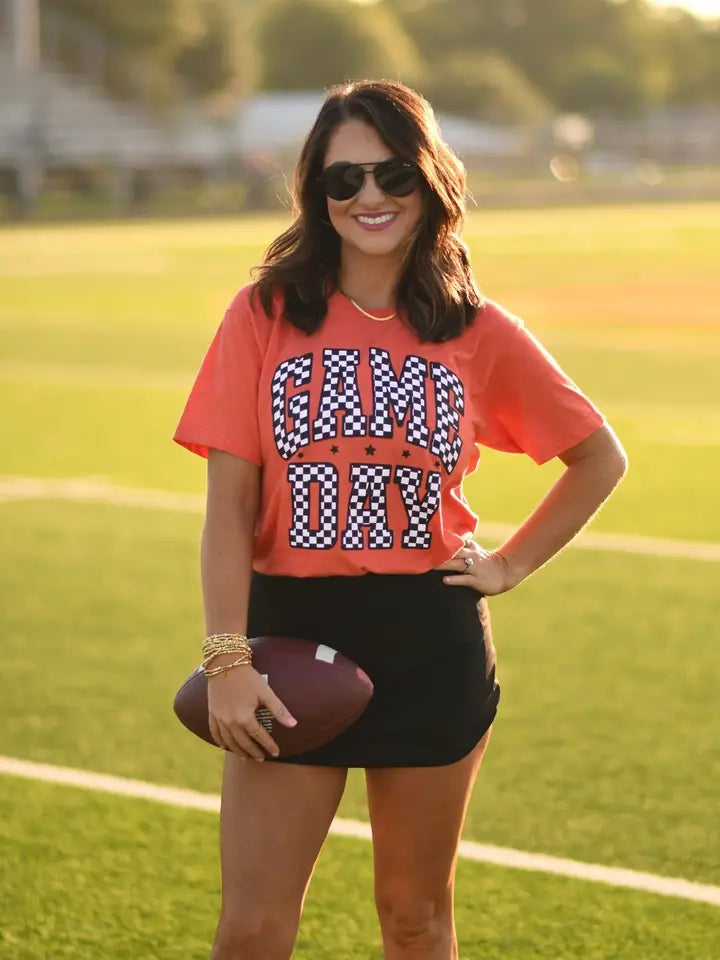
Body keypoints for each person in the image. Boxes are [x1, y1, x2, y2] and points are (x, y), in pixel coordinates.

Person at [174, 79, 627, 960]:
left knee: (415, 919)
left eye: (392, 175)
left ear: (428, 182)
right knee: (253, 926)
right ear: (316, 193)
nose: (369, 198)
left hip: (430, 639)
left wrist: (508, 565)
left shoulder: (477, 329)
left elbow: (598, 456)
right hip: (288, 644)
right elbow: (227, 508)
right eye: (344, 181)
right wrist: (225, 656)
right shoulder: (263, 314)